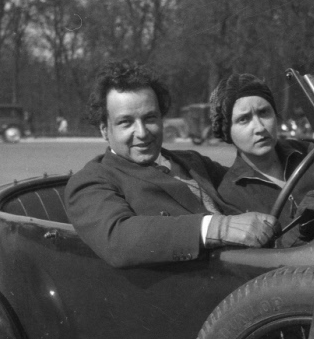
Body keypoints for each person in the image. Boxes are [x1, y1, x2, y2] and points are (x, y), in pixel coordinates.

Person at [65, 61, 280, 268]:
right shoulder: (92, 180)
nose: (141, 133)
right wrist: (218, 227)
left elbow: (247, 186)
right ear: (104, 129)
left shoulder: (192, 161)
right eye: (126, 122)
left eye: (149, 118)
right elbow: (118, 239)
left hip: (257, 271)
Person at [210, 73, 314, 245]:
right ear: (226, 131)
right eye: (244, 119)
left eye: (264, 112)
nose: (259, 127)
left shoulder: (313, 153)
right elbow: (258, 262)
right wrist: (299, 229)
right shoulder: (230, 195)